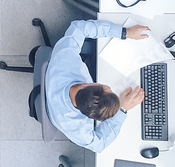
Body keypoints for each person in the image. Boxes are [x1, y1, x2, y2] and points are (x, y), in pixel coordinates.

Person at [46, 20, 150, 152]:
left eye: (107, 88)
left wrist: (125, 32)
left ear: (85, 86)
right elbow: (100, 145)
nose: (110, 87)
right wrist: (122, 109)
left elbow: (79, 27)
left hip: (55, 81)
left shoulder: (66, 58)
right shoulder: (76, 128)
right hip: (53, 106)